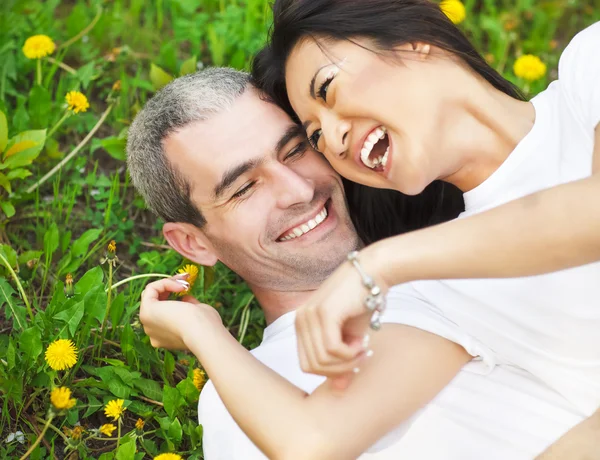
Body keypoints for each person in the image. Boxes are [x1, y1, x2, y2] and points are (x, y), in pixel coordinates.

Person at [127, 68, 598, 460]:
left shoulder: (444, 270)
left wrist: (202, 334)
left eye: (295, 149)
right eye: (244, 188)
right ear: (193, 243)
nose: (298, 189)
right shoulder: (233, 402)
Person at [251, 0, 600, 411]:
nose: (334, 137)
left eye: (326, 88)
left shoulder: (588, 67)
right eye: (316, 136)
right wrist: (202, 334)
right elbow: (313, 442)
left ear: (412, 39)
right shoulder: (444, 290)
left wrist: (378, 264)